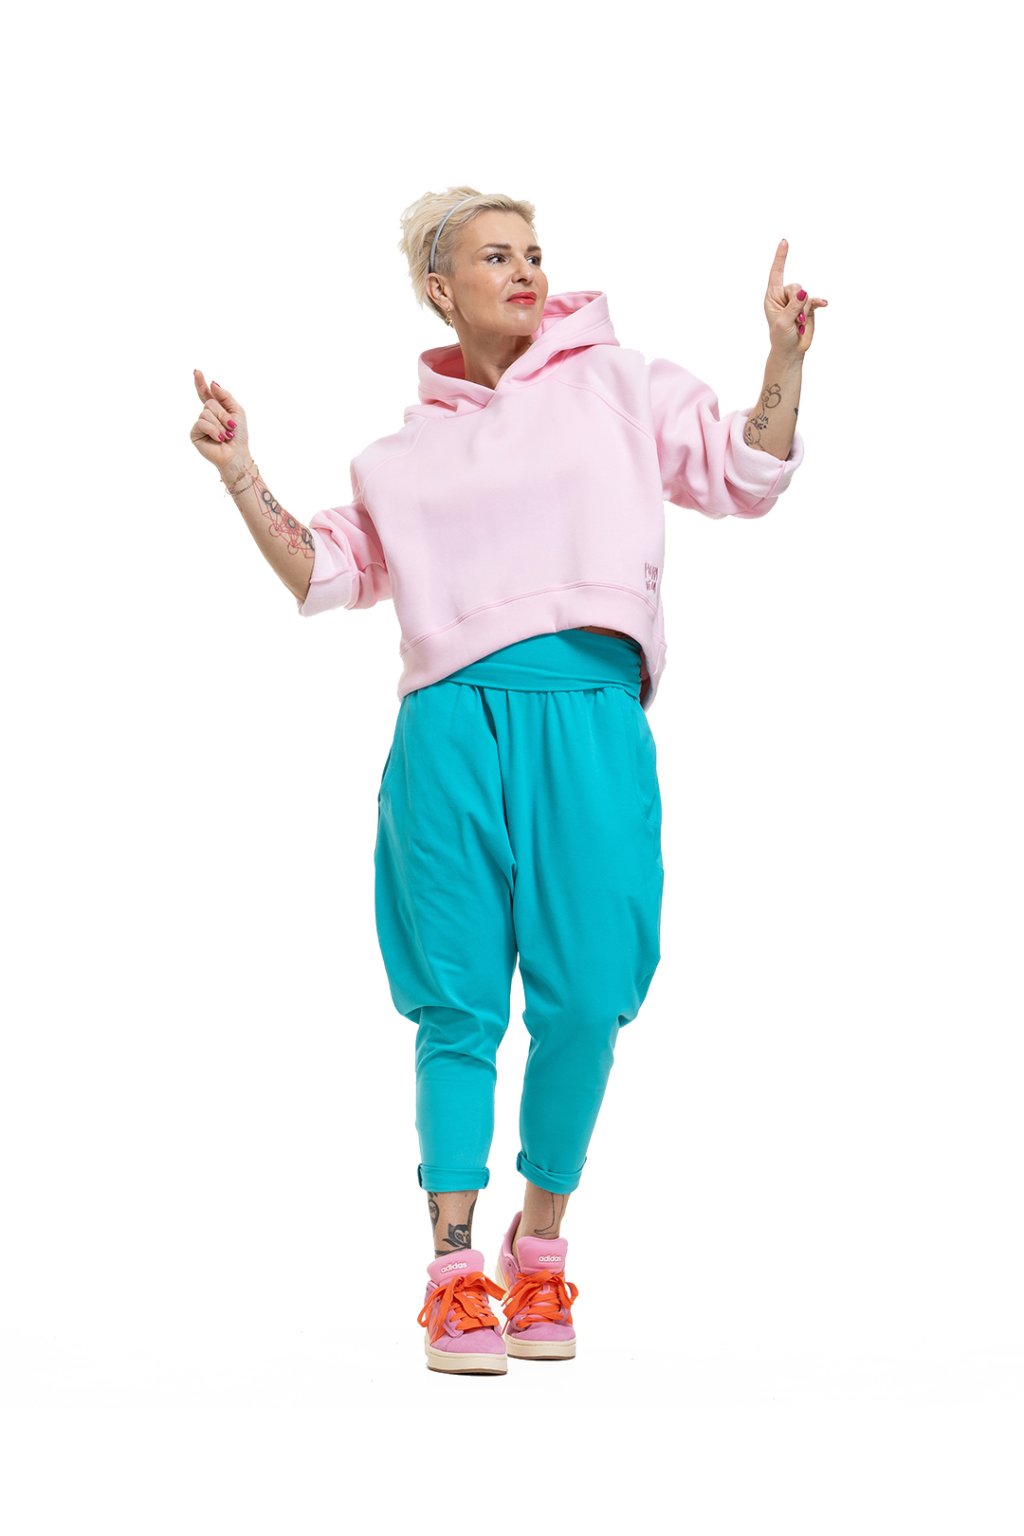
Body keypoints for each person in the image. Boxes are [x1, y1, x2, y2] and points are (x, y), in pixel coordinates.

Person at [189, 186, 827, 1376]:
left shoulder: (620, 384)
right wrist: (240, 472)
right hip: (449, 728)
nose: (527, 270)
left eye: (534, 251)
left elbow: (747, 469)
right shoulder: (399, 458)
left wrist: (783, 358)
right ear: (441, 289)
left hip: (590, 718)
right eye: (495, 256)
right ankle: (451, 1276)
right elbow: (321, 571)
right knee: (457, 1001)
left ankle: (538, 1245)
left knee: (588, 995)